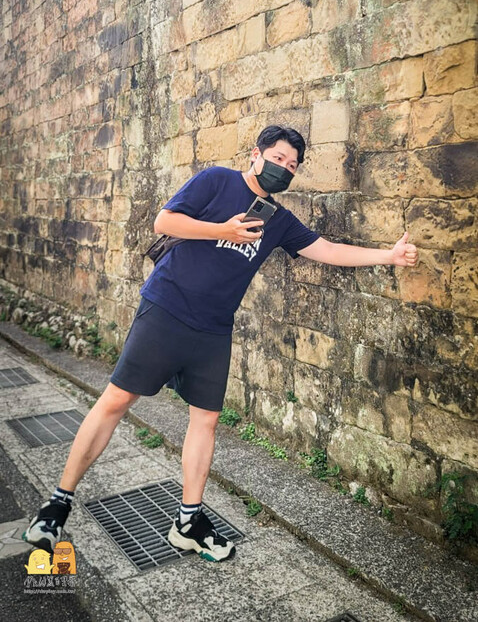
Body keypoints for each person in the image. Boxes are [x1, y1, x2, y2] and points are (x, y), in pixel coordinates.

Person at [24, 125, 418, 562]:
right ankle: (57, 504)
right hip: (167, 307)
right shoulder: (217, 180)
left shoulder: (278, 220)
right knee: (117, 400)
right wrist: (222, 230)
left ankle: (187, 522)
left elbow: (325, 250)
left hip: (213, 328)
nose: (284, 168)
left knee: (207, 420)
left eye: (292, 166)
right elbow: (164, 221)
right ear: (256, 154)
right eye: (279, 158)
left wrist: (389, 256)